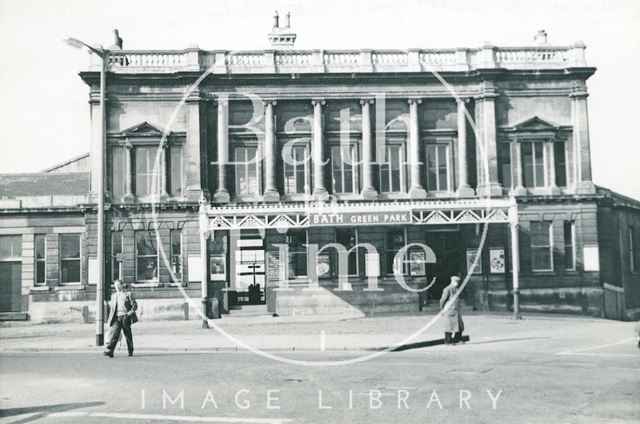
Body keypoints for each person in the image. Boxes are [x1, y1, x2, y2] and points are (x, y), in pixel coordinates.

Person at [103, 279, 138, 358]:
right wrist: (109, 321)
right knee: (114, 334)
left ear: (122, 285)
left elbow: (135, 306)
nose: (117, 287)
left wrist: (128, 314)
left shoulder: (127, 295)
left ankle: (130, 350)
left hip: (125, 317)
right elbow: (112, 310)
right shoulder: (113, 296)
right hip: (117, 318)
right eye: (116, 285)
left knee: (128, 334)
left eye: (119, 285)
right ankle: (110, 351)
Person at [440, 276, 465, 345]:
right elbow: (442, 300)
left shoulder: (456, 289)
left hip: (456, 311)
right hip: (450, 311)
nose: (457, 283)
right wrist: (442, 309)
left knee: (459, 326)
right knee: (449, 327)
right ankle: (448, 341)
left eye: (457, 282)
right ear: (452, 281)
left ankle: (457, 339)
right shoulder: (447, 289)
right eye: (455, 282)